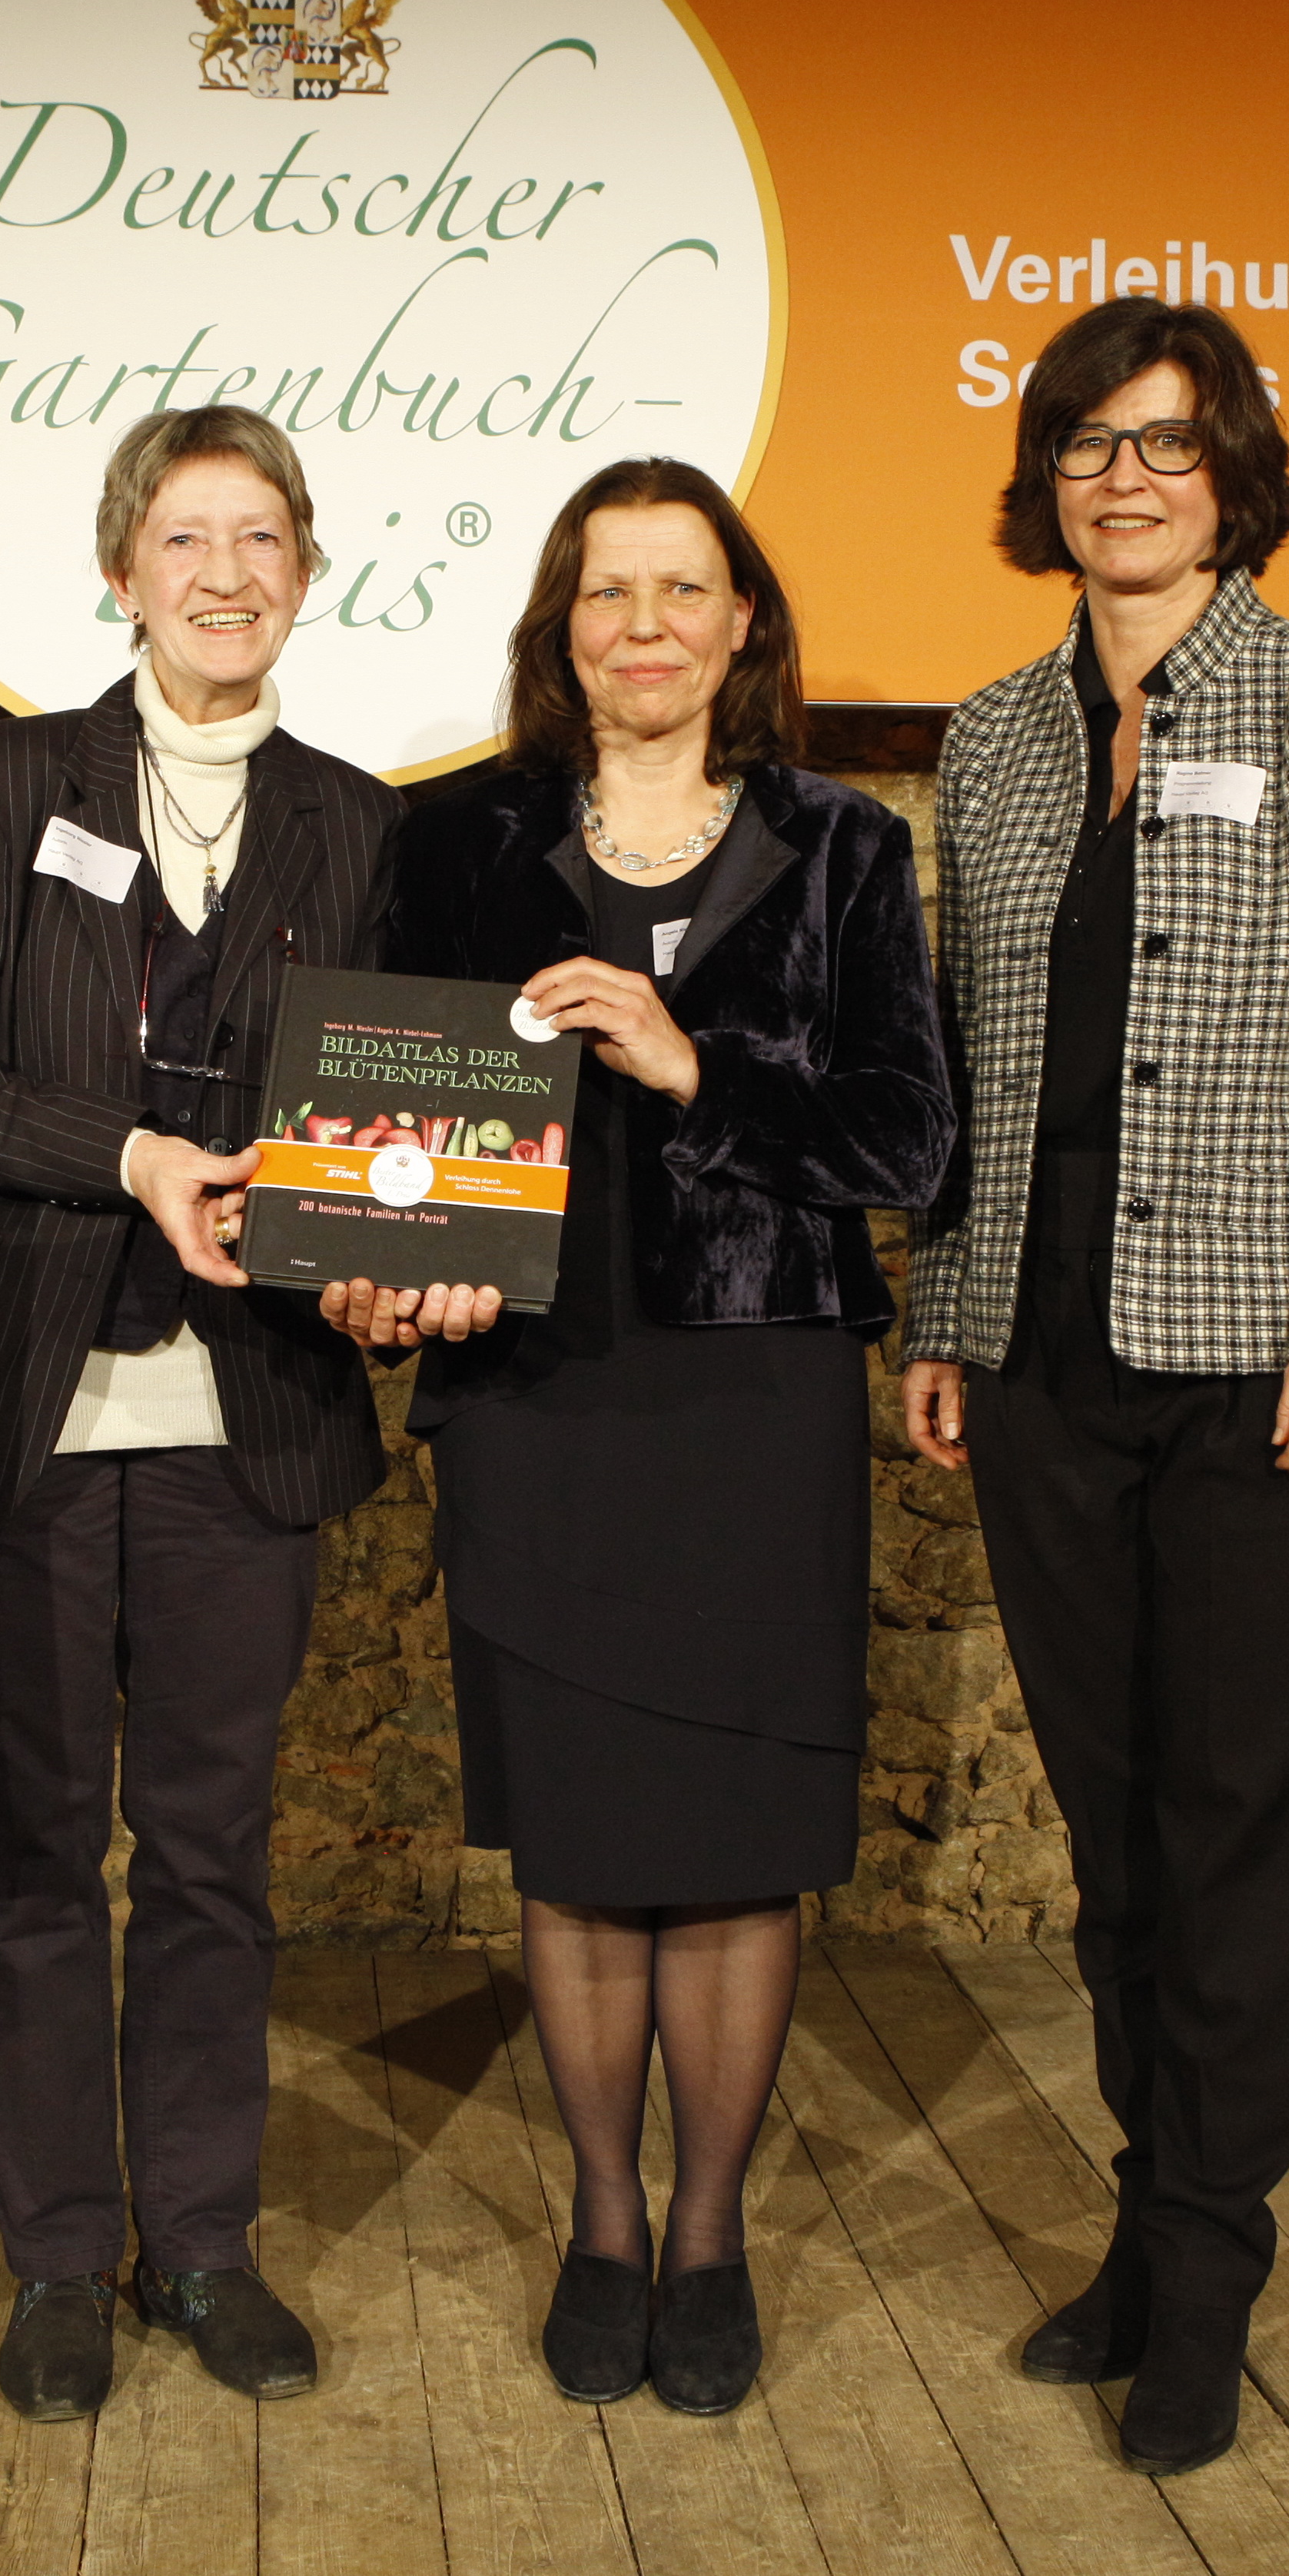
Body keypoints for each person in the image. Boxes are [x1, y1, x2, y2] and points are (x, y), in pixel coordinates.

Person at [900, 297, 1289, 2477]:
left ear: (1232, 472)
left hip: (1269, 1376)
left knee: (1246, 1833)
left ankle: (1208, 2271)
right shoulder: (992, 736)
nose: (1123, 479)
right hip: (1044, 1364)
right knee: (1119, 1834)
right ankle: (1146, 2227)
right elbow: (966, 1060)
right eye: (1086, 445)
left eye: (1163, 443)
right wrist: (944, 1314)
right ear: (1042, 481)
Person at [325, 458, 952, 2417]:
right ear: (562, 626)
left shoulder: (841, 846)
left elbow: (905, 1141)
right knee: (584, 1843)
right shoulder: (454, 840)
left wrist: (696, 1066)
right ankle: (604, 2221)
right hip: (538, 1398)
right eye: (609, 592)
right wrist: (376, 1265)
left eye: (683, 588)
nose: (646, 625)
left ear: (740, 621)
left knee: (738, 1848)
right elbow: (383, 1129)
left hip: (753, 1399)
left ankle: (709, 2234)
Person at [0, 404, 402, 2425]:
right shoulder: (1, 782)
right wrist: (128, 1157)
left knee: (205, 1859)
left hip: (238, 1416)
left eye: (261, 538)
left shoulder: (358, 823)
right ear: (120, 570)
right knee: (27, 1864)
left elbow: (383, 1126)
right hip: (19, 1405)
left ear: (306, 573)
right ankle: (56, 2255)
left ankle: (201, 2241)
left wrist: (388, 1244)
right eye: (186, 536)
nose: (223, 573)